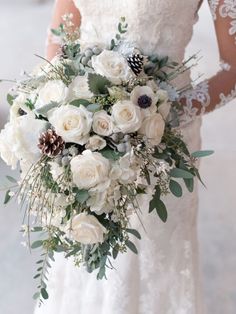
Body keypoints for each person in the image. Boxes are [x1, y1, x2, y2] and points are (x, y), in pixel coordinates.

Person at [35, 1, 236, 313]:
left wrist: (166, 113)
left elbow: (233, 68)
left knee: (150, 257)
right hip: (81, 130)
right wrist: (62, 103)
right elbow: (60, 36)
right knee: (84, 245)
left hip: (162, 141)